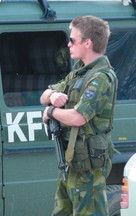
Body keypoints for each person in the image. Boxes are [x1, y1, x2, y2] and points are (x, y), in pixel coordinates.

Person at [40, 16, 118, 215]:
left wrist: (51, 112)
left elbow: (78, 117)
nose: (68, 44)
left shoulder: (101, 77)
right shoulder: (80, 73)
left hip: (88, 168)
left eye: (72, 40)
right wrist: (53, 95)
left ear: (88, 43)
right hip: (72, 162)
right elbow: (44, 96)